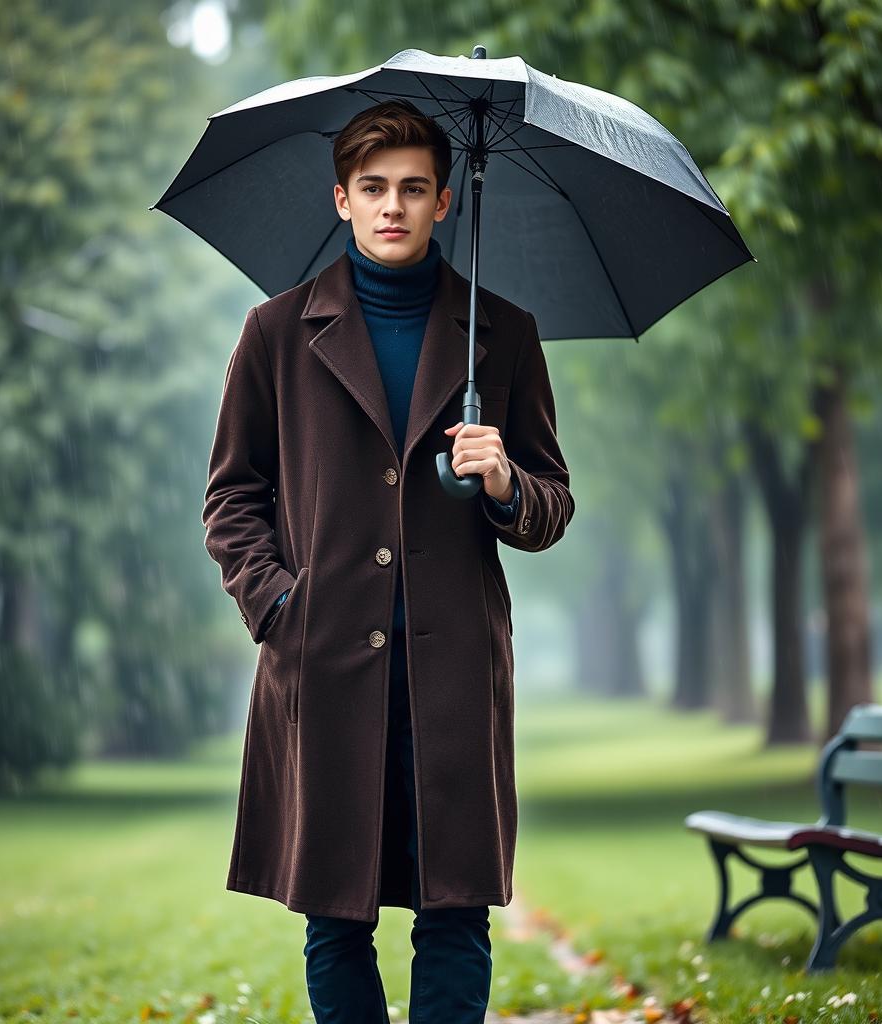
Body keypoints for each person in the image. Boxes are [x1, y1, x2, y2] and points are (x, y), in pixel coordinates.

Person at [201, 98, 574, 1024]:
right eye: (373, 189)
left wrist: (503, 484)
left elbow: (551, 505)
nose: (393, 207)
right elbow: (230, 497)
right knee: (335, 917)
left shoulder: (507, 335)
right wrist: (281, 605)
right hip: (324, 664)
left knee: (456, 912)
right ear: (341, 198)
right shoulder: (275, 334)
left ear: (445, 201)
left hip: (452, 675)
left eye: (414, 188)